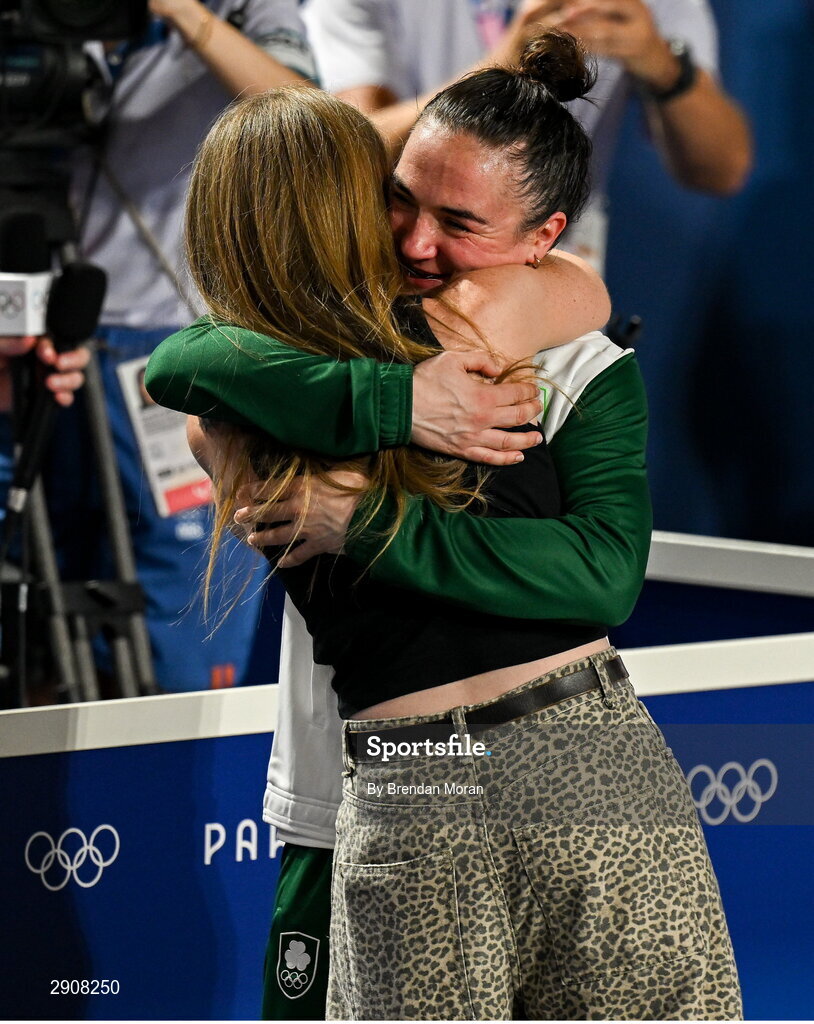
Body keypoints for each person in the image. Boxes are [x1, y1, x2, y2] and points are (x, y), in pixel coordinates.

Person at [147, 34, 740, 1020]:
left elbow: (602, 574)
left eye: (457, 221)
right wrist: (393, 402)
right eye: (396, 200)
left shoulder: (243, 405)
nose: (417, 242)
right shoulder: (444, 331)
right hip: (520, 747)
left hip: (475, 756)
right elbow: (186, 357)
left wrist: (366, 517)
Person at [32, 0, 318, 694]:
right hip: (50, 336)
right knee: (42, 588)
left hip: (178, 337)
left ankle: (177, 788)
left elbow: (303, 113)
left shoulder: (246, 8)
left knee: (181, 599)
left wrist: (184, 14)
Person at [302, 0, 752, 271]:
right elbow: (353, 150)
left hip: (553, 266)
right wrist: (506, 59)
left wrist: (660, 60)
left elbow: (722, 169)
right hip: (397, 256)